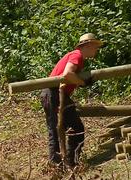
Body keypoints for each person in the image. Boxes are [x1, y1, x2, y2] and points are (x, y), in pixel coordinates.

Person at [40, 33, 102, 167]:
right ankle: (66, 164)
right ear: (89, 45)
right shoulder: (77, 55)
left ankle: (64, 163)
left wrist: (80, 81)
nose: (97, 50)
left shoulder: (77, 56)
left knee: (60, 129)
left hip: (54, 93)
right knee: (71, 128)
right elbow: (67, 74)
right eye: (95, 47)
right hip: (53, 93)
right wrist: (82, 83)